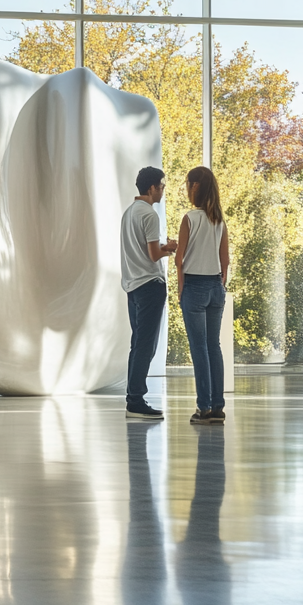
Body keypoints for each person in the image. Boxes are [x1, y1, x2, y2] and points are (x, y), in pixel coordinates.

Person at [120, 166, 177, 420]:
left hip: (132, 286)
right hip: (149, 286)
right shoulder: (150, 215)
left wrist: (161, 247)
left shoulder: (129, 213)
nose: (163, 191)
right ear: (152, 187)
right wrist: (171, 248)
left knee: (138, 343)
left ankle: (133, 397)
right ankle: (135, 401)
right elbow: (153, 255)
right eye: (162, 186)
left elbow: (141, 250)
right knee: (146, 345)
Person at [175, 165, 231, 426]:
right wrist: (220, 284)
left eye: (188, 183)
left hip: (194, 286)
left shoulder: (189, 218)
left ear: (195, 187)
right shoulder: (219, 220)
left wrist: (180, 286)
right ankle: (218, 407)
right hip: (215, 286)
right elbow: (225, 260)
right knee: (213, 347)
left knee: (199, 349)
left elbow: (179, 258)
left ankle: (204, 407)